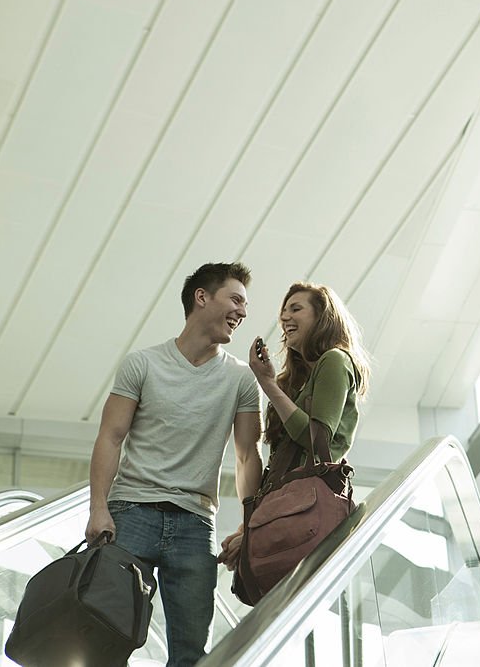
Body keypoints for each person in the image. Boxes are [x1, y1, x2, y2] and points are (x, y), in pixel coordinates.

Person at [85, 262, 263, 667]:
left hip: (195, 526)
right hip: (131, 515)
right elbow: (110, 437)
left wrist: (250, 526)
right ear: (202, 297)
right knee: (106, 644)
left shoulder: (241, 379)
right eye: (235, 299)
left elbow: (247, 455)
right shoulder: (142, 364)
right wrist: (98, 508)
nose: (243, 312)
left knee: (190, 657)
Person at [219, 281, 371, 573]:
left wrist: (267, 384)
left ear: (322, 317)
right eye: (283, 312)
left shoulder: (335, 360)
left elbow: (317, 439)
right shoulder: (300, 382)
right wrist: (248, 530)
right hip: (291, 510)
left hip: (306, 511)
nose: (285, 318)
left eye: (296, 309)